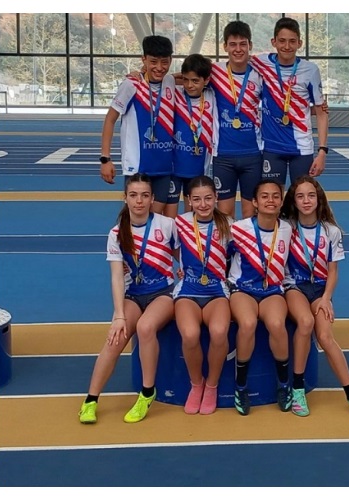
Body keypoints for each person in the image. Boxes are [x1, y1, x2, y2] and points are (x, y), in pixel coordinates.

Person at [78, 173, 177, 424]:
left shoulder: (167, 225)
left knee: (145, 327)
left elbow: (183, 255)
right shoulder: (116, 233)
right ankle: (90, 400)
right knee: (114, 339)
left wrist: (185, 270)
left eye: (144, 195)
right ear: (125, 198)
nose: (139, 201)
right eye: (133, 195)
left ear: (152, 199)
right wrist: (119, 315)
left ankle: (147, 393)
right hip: (133, 295)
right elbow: (116, 277)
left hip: (163, 294)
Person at [281, 176, 349, 418]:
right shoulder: (287, 228)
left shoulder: (331, 231)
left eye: (311, 195)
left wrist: (326, 298)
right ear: (294, 201)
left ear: (319, 199)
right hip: (295, 287)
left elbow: (333, 271)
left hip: (320, 290)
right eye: (300, 196)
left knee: (325, 337)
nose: (306, 201)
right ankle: (297, 389)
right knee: (305, 322)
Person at [227, 179, 294, 416]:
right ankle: (241, 386)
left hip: (272, 290)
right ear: (254, 202)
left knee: (276, 324)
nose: (270, 200)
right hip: (242, 289)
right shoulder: (238, 229)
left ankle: (284, 384)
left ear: (282, 201)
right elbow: (219, 255)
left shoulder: (287, 229)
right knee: (247, 323)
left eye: (275, 196)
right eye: (264, 196)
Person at [172, 176, 233, 415]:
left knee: (219, 332)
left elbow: (239, 256)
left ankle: (211, 386)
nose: (203, 204)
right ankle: (196, 384)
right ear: (188, 200)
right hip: (188, 290)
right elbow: (166, 247)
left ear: (216, 197)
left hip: (217, 290)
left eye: (208, 198)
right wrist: (183, 265)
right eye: (196, 199)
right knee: (189, 334)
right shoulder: (179, 223)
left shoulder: (228, 224)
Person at [99, 35, 176, 217]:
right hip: (137, 166)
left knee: (156, 219)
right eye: (153, 62)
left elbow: (195, 76)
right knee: (136, 218)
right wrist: (105, 159)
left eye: (164, 62)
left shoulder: (171, 82)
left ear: (171, 61)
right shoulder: (131, 84)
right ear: (144, 59)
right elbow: (110, 119)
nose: (159, 67)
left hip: (163, 167)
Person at [251, 17, 329, 186]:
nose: (287, 46)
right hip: (271, 147)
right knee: (271, 197)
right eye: (282, 41)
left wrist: (322, 151)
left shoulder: (311, 70)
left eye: (292, 41)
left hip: (302, 147)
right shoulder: (260, 62)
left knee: (302, 196)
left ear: (300, 43)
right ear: (273, 42)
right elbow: (233, 64)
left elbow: (322, 112)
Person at [210, 21, 264, 220]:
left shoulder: (260, 75)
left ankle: (247, 243)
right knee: (225, 215)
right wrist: (142, 74)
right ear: (225, 46)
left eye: (243, 44)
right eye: (233, 44)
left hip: (253, 154)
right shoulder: (214, 72)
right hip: (223, 155)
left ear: (250, 45)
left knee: (251, 214)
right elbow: (187, 76)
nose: (238, 49)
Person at [170, 54, 218, 218]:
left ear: (206, 80)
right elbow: (159, 81)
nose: (189, 85)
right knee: (169, 216)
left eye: (195, 81)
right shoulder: (175, 93)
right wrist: (175, 76)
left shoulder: (212, 95)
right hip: (174, 165)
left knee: (192, 215)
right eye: (186, 79)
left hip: (198, 166)